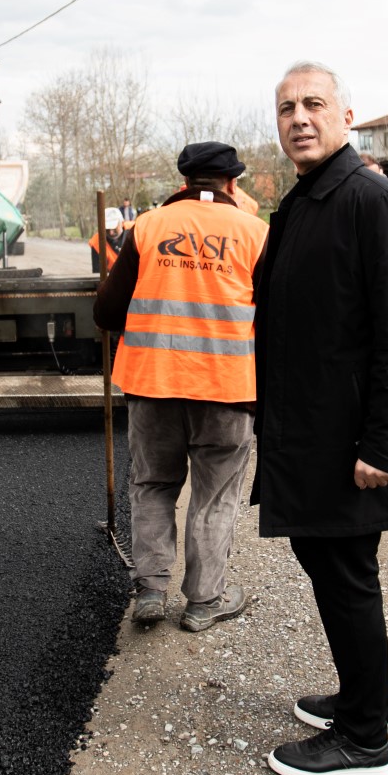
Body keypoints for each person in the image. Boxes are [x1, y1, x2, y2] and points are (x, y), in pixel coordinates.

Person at [253, 62, 388, 775]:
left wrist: (387, 443)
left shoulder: (372, 201)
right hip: (309, 431)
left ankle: (364, 741)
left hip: (350, 439)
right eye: (286, 107)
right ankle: (374, 701)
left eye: (314, 104)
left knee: (343, 569)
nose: (299, 117)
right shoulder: (307, 202)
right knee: (331, 563)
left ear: (346, 115)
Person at [93, 142, 270, 631]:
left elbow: (106, 313)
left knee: (152, 484)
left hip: (153, 386)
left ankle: (150, 591)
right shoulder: (257, 234)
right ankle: (203, 601)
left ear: (183, 182)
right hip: (228, 391)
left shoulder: (147, 227)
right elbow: (278, 321)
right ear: (233, 183)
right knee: (214, 496)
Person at [88, 207, 127, 273]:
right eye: (107, 229)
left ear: (122, 223)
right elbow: (98, 274)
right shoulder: (97, 243)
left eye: (114, 228)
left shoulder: (135, 232)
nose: (111, 232)